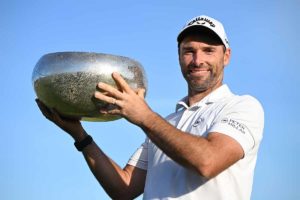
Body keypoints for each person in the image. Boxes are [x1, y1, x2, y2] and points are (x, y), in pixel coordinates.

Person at [36, 15, 264, 200]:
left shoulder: (243, 107)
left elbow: (208, 162)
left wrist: (144, 116)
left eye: (208, 50)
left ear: (226, 56)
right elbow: (123, 188)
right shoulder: (167, 123)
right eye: (188, 51)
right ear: (179, 56)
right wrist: (80, 135)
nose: (197, 60)